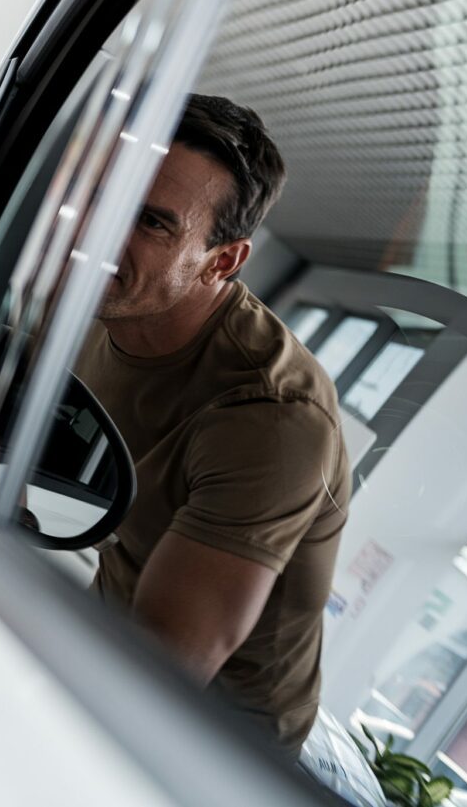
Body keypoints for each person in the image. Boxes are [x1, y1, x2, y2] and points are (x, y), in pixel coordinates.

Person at [74, 94, 349, 754]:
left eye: (152, 222)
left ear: (221, 261)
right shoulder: (95, 297)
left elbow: (155, 668)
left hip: (212, 754)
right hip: (100, 648)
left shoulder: (271, 415)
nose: (103, 232)